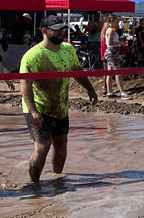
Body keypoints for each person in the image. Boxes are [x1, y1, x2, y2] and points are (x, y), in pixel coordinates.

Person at [19, 16, 99, 184]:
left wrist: (90, 89)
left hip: (60, 107)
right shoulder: (33, 55)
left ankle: (57, 178)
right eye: (56, 29)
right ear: (44, 31)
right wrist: (33, 111)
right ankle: (34, 184)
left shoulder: (68, 49)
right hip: (38, 107)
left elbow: (76, 71)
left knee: (61, 144)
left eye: (63, 29)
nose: (61, 32)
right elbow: (25, 85)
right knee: (42, 147)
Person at [101, 14, 128, 99]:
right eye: (116, 21)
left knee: (110, 72)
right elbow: (110, 43)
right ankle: (122, 92)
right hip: (112, 52)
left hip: (110, 52)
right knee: (118, 72)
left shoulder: (109, 29)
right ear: (111, 21)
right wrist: (120, 43)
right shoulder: (111, 30)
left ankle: (109, 91)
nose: (117, 23)